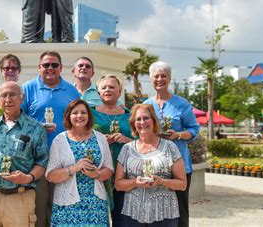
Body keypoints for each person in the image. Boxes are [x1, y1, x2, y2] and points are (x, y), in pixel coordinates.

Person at [22, 50, 79, 227]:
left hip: (64, 158)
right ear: (39, 67)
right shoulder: (28, 88)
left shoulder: (72, 91)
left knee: (60, 206)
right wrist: (38, 128)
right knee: (38, 209)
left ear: (61, 67)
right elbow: (19, 120)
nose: (50, 68)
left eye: (54, 65)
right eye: (46, 65)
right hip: (37, 157)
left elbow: (78, 119)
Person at [0, 81, 48, 227]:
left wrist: (28, 177)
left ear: (22, 98)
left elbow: (42, 161)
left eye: (12, 94)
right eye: (3, 95)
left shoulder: (36, 128)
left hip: (20, 197)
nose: (8, 99)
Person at [143, 61, 200, 227]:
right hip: (153, 163)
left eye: (163, 76)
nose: (159, 79)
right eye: (156, 76)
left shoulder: (182, 104)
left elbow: (194, 129)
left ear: (169, 78)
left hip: (179, 164)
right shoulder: (146, 105)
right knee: (154, 209)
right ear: (151, 79)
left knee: (180, 210)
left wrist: (178, 135)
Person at [115, 104, 187, 226]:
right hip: (132, 213)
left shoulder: (170, 147)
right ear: (133, 124)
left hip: (164, 213)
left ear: (154, 121)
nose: (142, 122)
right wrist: (135, 182)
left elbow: (182, 184)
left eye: (146, 118)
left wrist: (162, 182)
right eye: (138, 119)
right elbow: (118, 184)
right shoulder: (126, 149)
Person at [46, 99, 113, 226]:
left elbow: (109, 169)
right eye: (75, 113)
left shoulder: (100, 138)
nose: (79, 116)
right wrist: (75, 168)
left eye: (83, 112)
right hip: (66, 207)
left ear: (89, 116)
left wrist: (96, 174)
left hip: (95, 205)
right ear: (68, 116)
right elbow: (50, 176)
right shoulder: (59, 140)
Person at [91, 74, 134, 226]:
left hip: (125, 173)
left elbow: (143, 142)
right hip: (97, 173)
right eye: (104, 87)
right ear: (98, 91)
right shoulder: (89, 113)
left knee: (123, 220)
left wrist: (127, 141)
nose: (107, 89)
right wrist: (101, 141)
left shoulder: (131, 116)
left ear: (120, 90)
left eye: (112, 87)